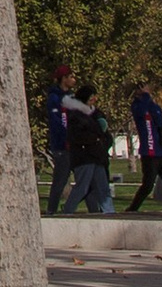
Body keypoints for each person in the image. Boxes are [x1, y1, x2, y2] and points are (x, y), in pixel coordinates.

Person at [127, 83, 162, 213]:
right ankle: (133, 209)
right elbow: (141, 112)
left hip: (161, 153)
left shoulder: (154, 106)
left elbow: (159, 121)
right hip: (149, 154)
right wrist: (145, 96)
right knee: (148, 185)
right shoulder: (136, 106)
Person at [59, 85, 114, 217]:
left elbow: (105, 133)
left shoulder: (96, 113)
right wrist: (95, 138)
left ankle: (109, 213)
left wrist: (103, 142)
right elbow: (76, 136)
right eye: (91, 96)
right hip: (84, 157)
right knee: (82, 187)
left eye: (95, 96)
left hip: (97, 156)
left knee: (103, 188)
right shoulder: (75, 115)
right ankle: (67, 211)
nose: (94, 99)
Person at [42, 72, 71, 215]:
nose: (73, 80)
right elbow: (56, 122)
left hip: (74, 144)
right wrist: (64, 138)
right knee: (60, 179)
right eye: (70, 77)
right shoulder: (54, 98)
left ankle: (95, 210)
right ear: (63, 79)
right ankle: (51, 210)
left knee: (87, 179)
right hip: (61, 145)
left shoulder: (71, 97)